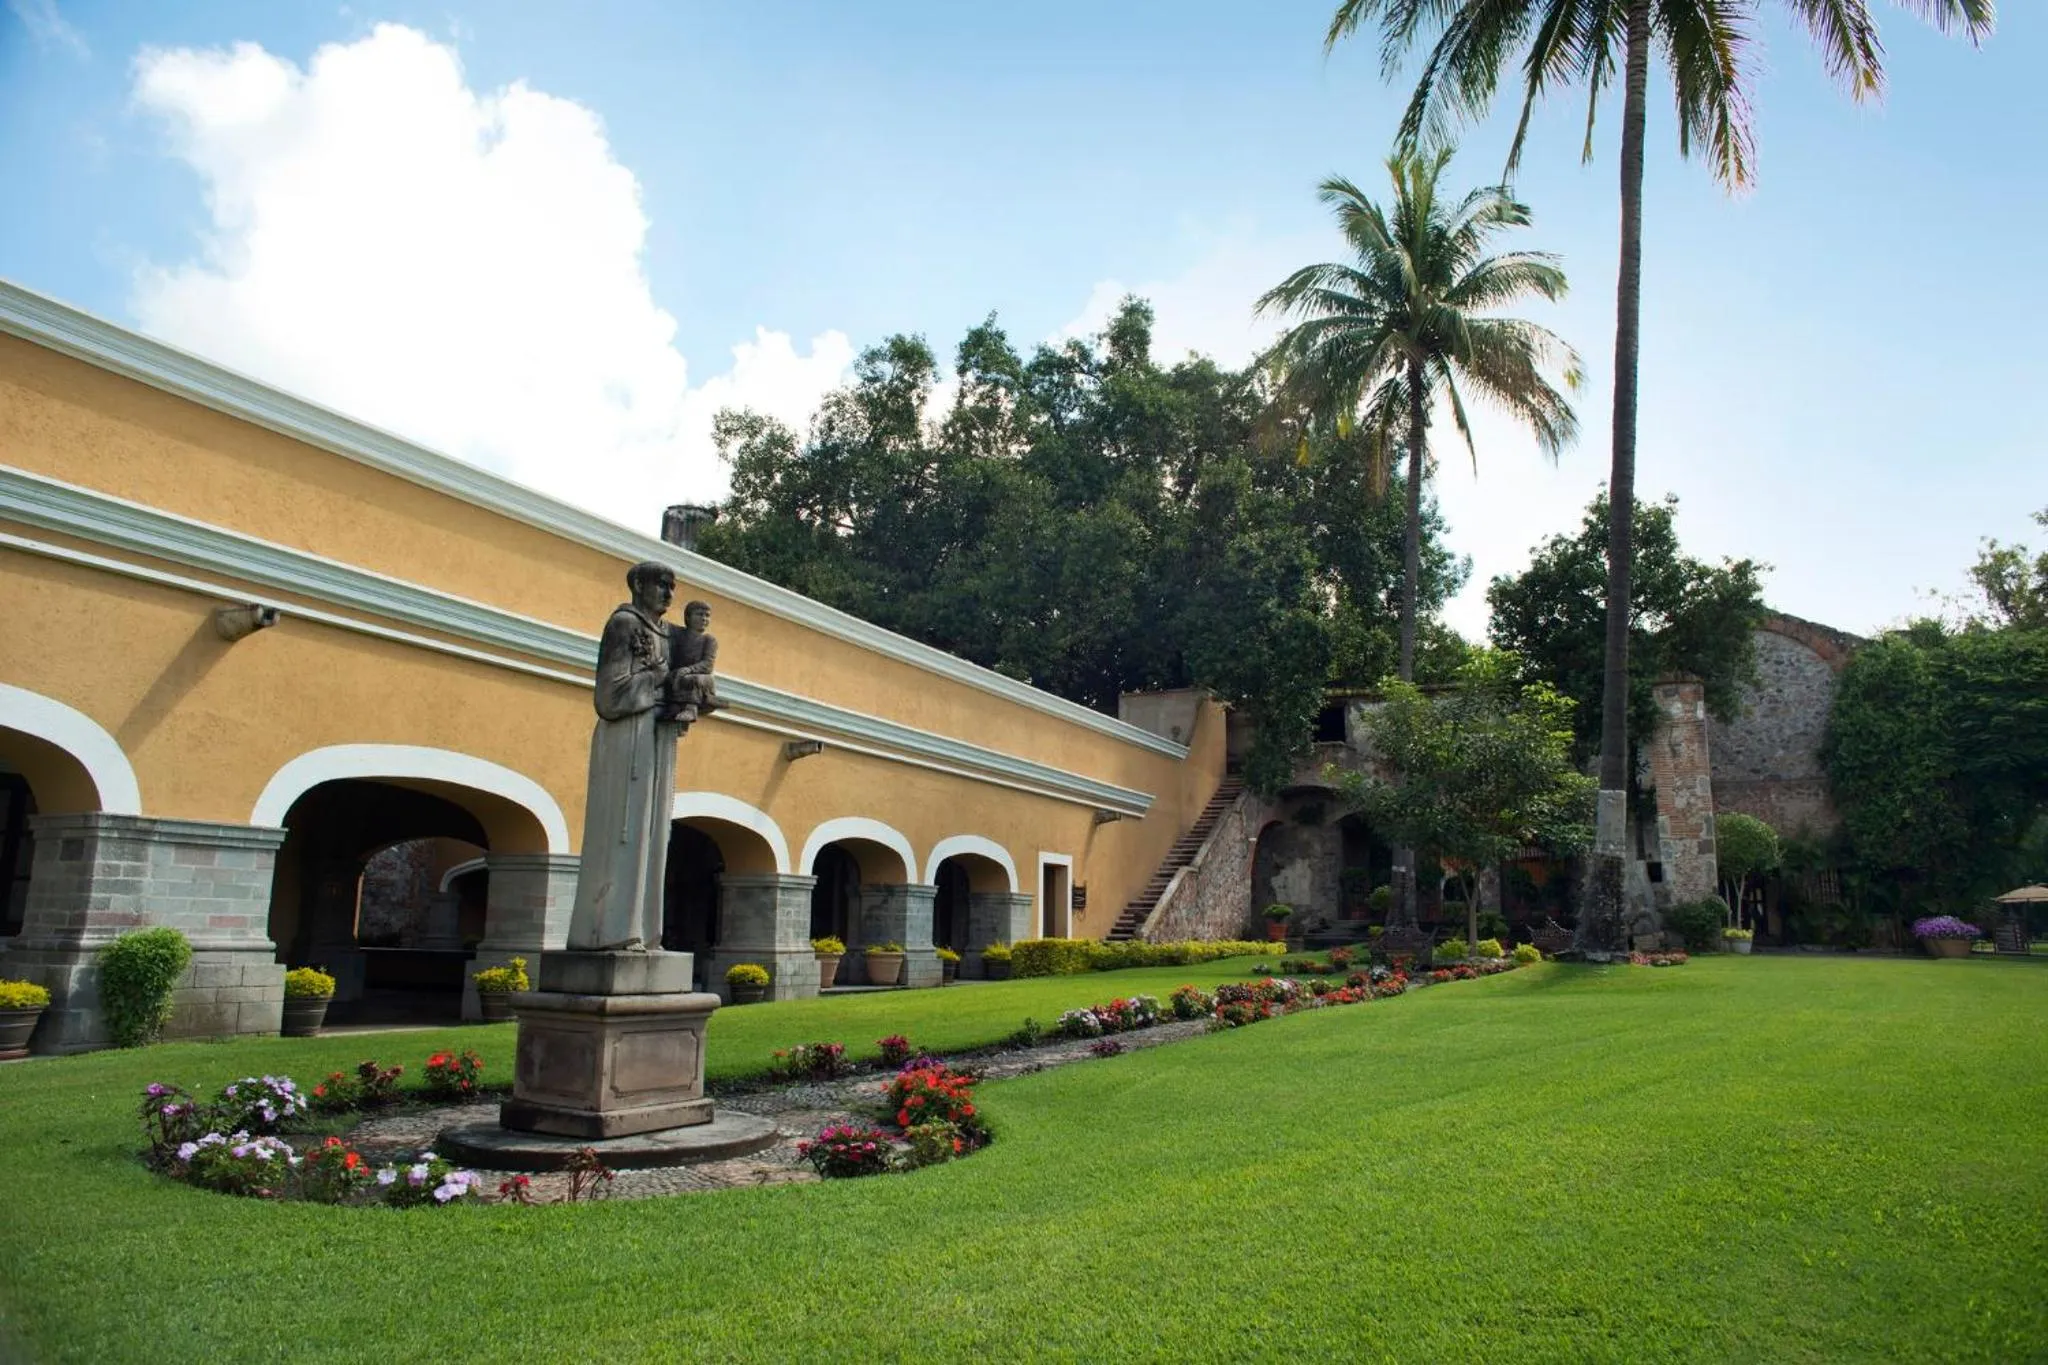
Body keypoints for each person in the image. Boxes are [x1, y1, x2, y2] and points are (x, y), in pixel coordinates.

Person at [566, 561, 692, 952]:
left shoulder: (667, 634)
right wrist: (658, 680)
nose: (669, 594)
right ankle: (611, 931)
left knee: (652, 835)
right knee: (623, 831)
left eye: (673, 587)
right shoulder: (624, 624)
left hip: (655, 736)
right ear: (638, 584)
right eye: (662, 585)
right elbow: (609, 695)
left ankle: (643, 931)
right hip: (626, 736)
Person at [661, 600, 725, 724]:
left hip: (702, 679)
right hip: (679, 675)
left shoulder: (709, 640)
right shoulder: (679, 634)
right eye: (700, 614)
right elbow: (661, 626)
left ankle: (691, 709)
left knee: (693, 679)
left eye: (707, 616)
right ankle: (674, 708)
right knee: (670, 678)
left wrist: (689, 669)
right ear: (688, 617)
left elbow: (708, 665)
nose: (704, 619)